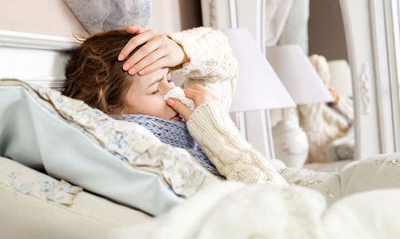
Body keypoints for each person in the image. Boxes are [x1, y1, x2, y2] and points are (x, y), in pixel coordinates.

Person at [63, 24, 286, 185]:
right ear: (110, 110)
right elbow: (280, 208)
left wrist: (179, 49)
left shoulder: (185, 131)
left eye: (169, 79)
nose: (176, 94)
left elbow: (223, 60)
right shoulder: (155, 162)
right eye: (153, 90)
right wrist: (217, 131)